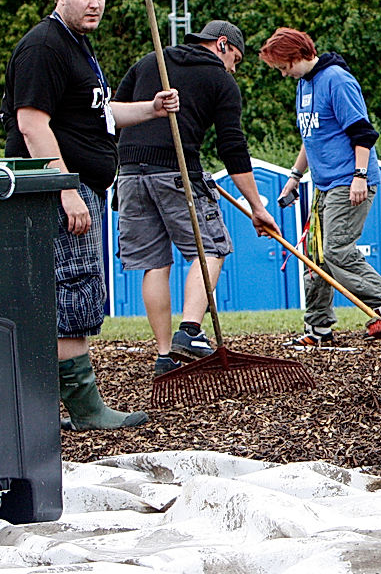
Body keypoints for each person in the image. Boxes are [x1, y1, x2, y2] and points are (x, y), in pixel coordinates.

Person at [1, 0, 180, 430]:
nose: (95, 4)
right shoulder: (45, 47)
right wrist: (66, 189)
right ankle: (84, 408)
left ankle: (43, 410)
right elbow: (32, 125)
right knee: (71, 294)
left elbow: (100, 116)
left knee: (65, 295)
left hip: (79, 186)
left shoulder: (77, 44)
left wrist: (151, 108)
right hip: (59, 190)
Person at [114, 19, 278, 376]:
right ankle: (190, 330)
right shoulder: (220, 79)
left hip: (128, 173)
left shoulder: (149, 61)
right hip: (176, 171)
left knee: (154, 263)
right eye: (235, 58)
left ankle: (163, 356)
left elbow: (111, 113)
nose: (234, 67)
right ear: (222, 44)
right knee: (212, 248)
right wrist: (257, 206)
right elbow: (232, 147)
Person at [258, 27, 381, 346]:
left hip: (350, 180)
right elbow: (311, 137)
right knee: (313, 257)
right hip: (324, 184)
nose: (284, 74)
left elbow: (363, 133)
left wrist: (358, 175)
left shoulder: (337, 81)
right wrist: (294, 177)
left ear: (299, 55)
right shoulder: (304, 84)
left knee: (336, 249)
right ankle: (318, 328)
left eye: (284, 67)